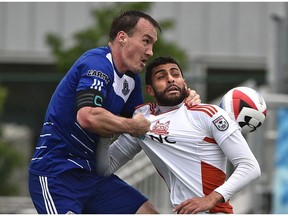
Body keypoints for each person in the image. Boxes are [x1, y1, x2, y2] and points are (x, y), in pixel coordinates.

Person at [28, 10, 200, 214]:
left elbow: (147, 120)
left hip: (94, 178)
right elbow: (88, 116)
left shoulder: (131, 79)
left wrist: (183, 102)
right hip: (57, 175)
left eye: (152, 44)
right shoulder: (97, 63)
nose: (150, 51)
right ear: (122, 37)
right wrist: (132, 126)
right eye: (146, 41)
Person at [98, 56, 261, 214]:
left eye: (175, 74)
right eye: (161, 76)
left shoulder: (209, 114)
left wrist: (210, 199)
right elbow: (106, 168)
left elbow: (250, 167)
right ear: (150, 90)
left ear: (184, 83)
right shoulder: (141, 119)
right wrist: (105, 133)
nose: (170, 79)